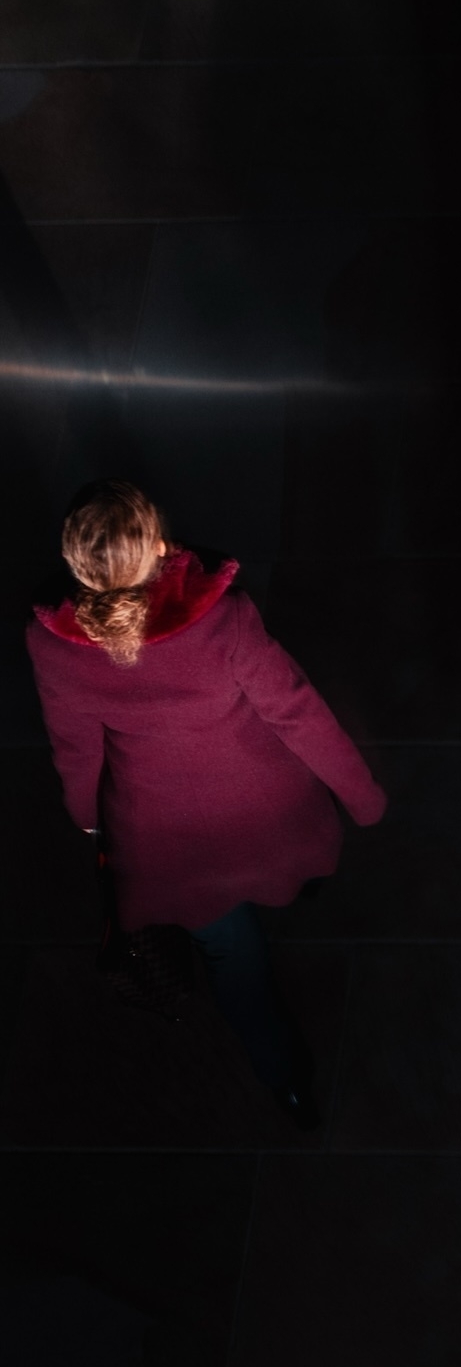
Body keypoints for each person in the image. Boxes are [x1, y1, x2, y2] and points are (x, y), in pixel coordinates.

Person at [25, 479, 388, 1127]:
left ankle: (288, 1084)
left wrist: (89, 823)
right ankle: (295, 890)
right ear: (161, 545)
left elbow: (76, 753)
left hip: (167, 845)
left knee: (232, 963)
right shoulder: (221, 618)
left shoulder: (53, 646)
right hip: (263, 812)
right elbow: (297, 713)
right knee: (281, 871)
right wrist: (361, 796)